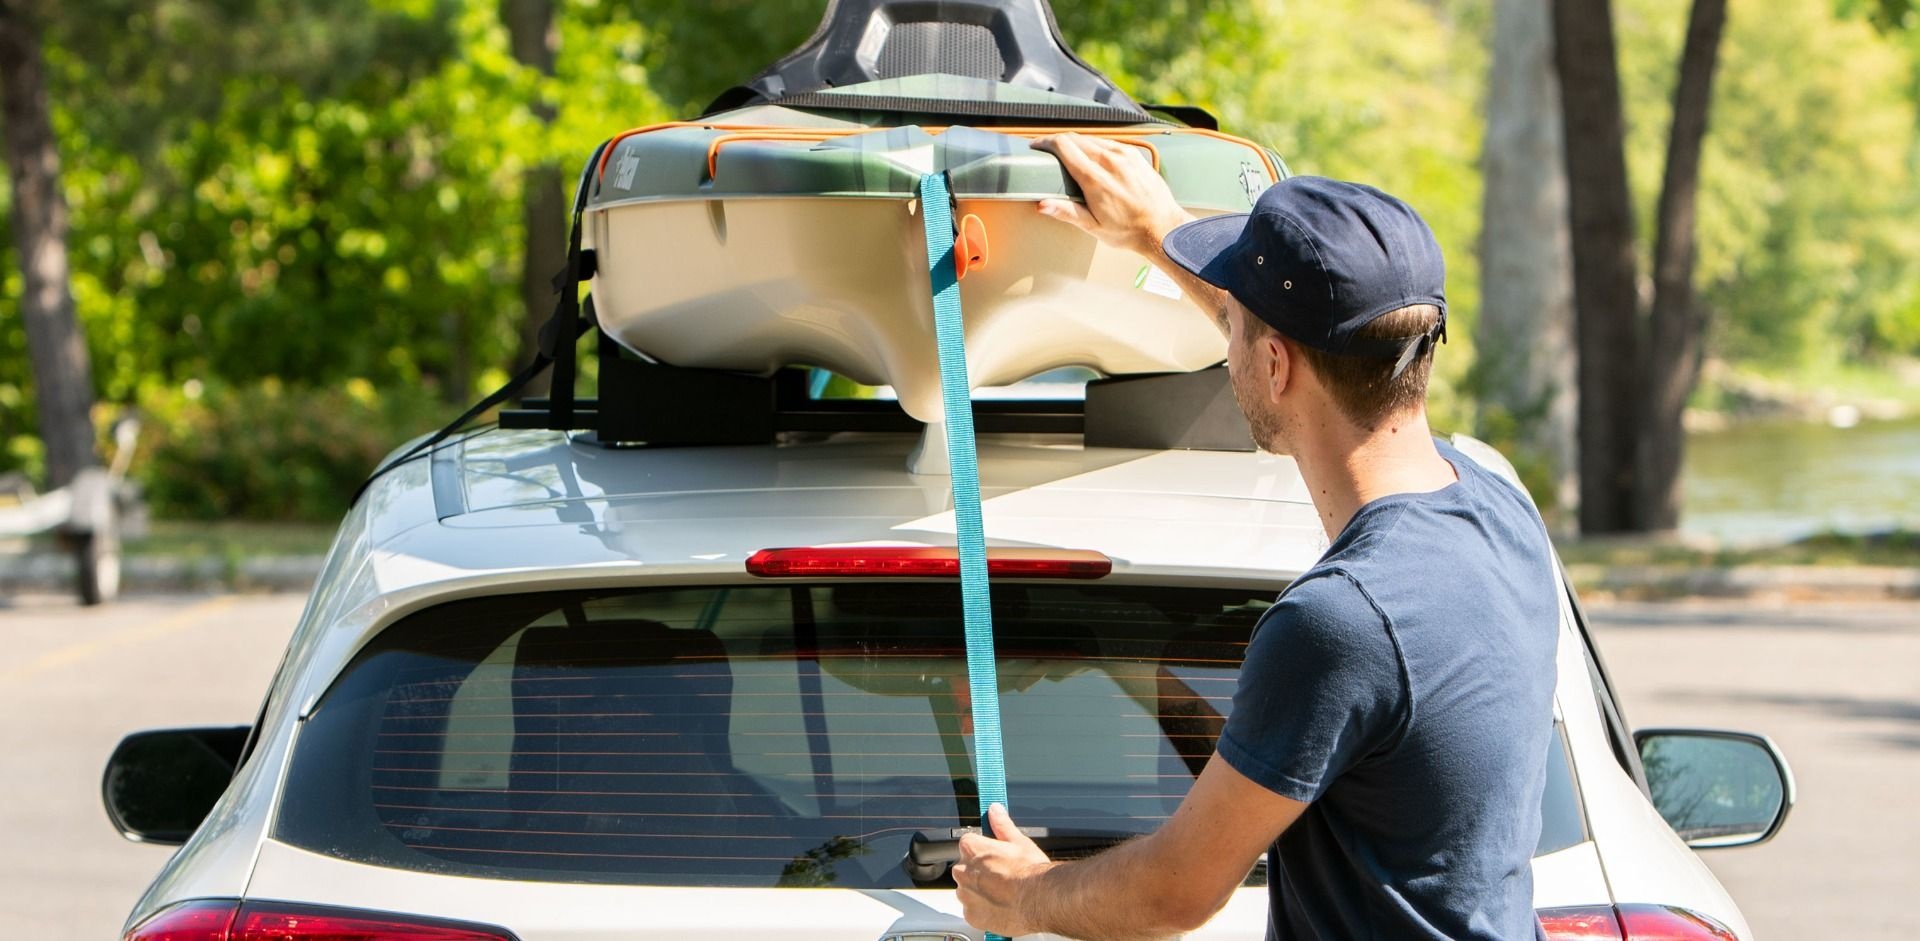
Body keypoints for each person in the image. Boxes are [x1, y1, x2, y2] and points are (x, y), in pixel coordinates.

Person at [950, 134, 1560, 941]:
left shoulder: (1340, 623)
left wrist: (1026, 892)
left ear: (1275, 364)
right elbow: (1290, 353)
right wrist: (1157, 230)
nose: (1225, 335)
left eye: (1235, 326)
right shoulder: (1499, 508)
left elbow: (1176, 891)